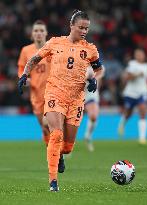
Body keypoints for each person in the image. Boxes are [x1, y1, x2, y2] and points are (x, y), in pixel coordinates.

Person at [18, 10, 104, 192]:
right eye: (80, 27)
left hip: (76, 100)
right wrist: (25, 74)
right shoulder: (55, 42)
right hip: (54, 95)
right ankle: (53, 182)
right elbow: (35, 58)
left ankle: (61, 156)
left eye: (86, 28)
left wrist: (94, 79)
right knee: (55, 134)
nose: (84, 31)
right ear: (71, 26)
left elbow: (99, 69)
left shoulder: (90, 49)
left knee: (67, 147)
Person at [18, 20, 51, 145]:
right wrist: (25, 78)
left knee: (47, 123)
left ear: (46, 33)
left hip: (52, 93)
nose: (39, 33)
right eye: (36, 30)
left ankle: (57, 152)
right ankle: (52, 149)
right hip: (36, 94)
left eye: (41, 30)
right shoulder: (26, 51)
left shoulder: (52, 49)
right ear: (32, 34)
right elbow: (21, 69)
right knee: (44, 127)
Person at [118, 48, 147, 144]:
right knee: (129, 113)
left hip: (142, 92)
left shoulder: (146, 66)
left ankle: (142, 138)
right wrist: (136, 75)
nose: (139, 56)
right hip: (130, 93)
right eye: (137, 54)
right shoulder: (132, 64)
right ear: (135, 56)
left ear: (144, 55)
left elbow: (144, 79)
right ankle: (122, 123)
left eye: (141, 54)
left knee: (143, 112)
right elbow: (127, 78)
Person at [84, 66, 104, 151]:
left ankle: (88, 136)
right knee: (68, 120)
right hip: (76, 94)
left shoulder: (99, 67)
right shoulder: (76, 62)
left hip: (90, 94)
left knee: (93, 116)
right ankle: (65, 145)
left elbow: (99, 80)